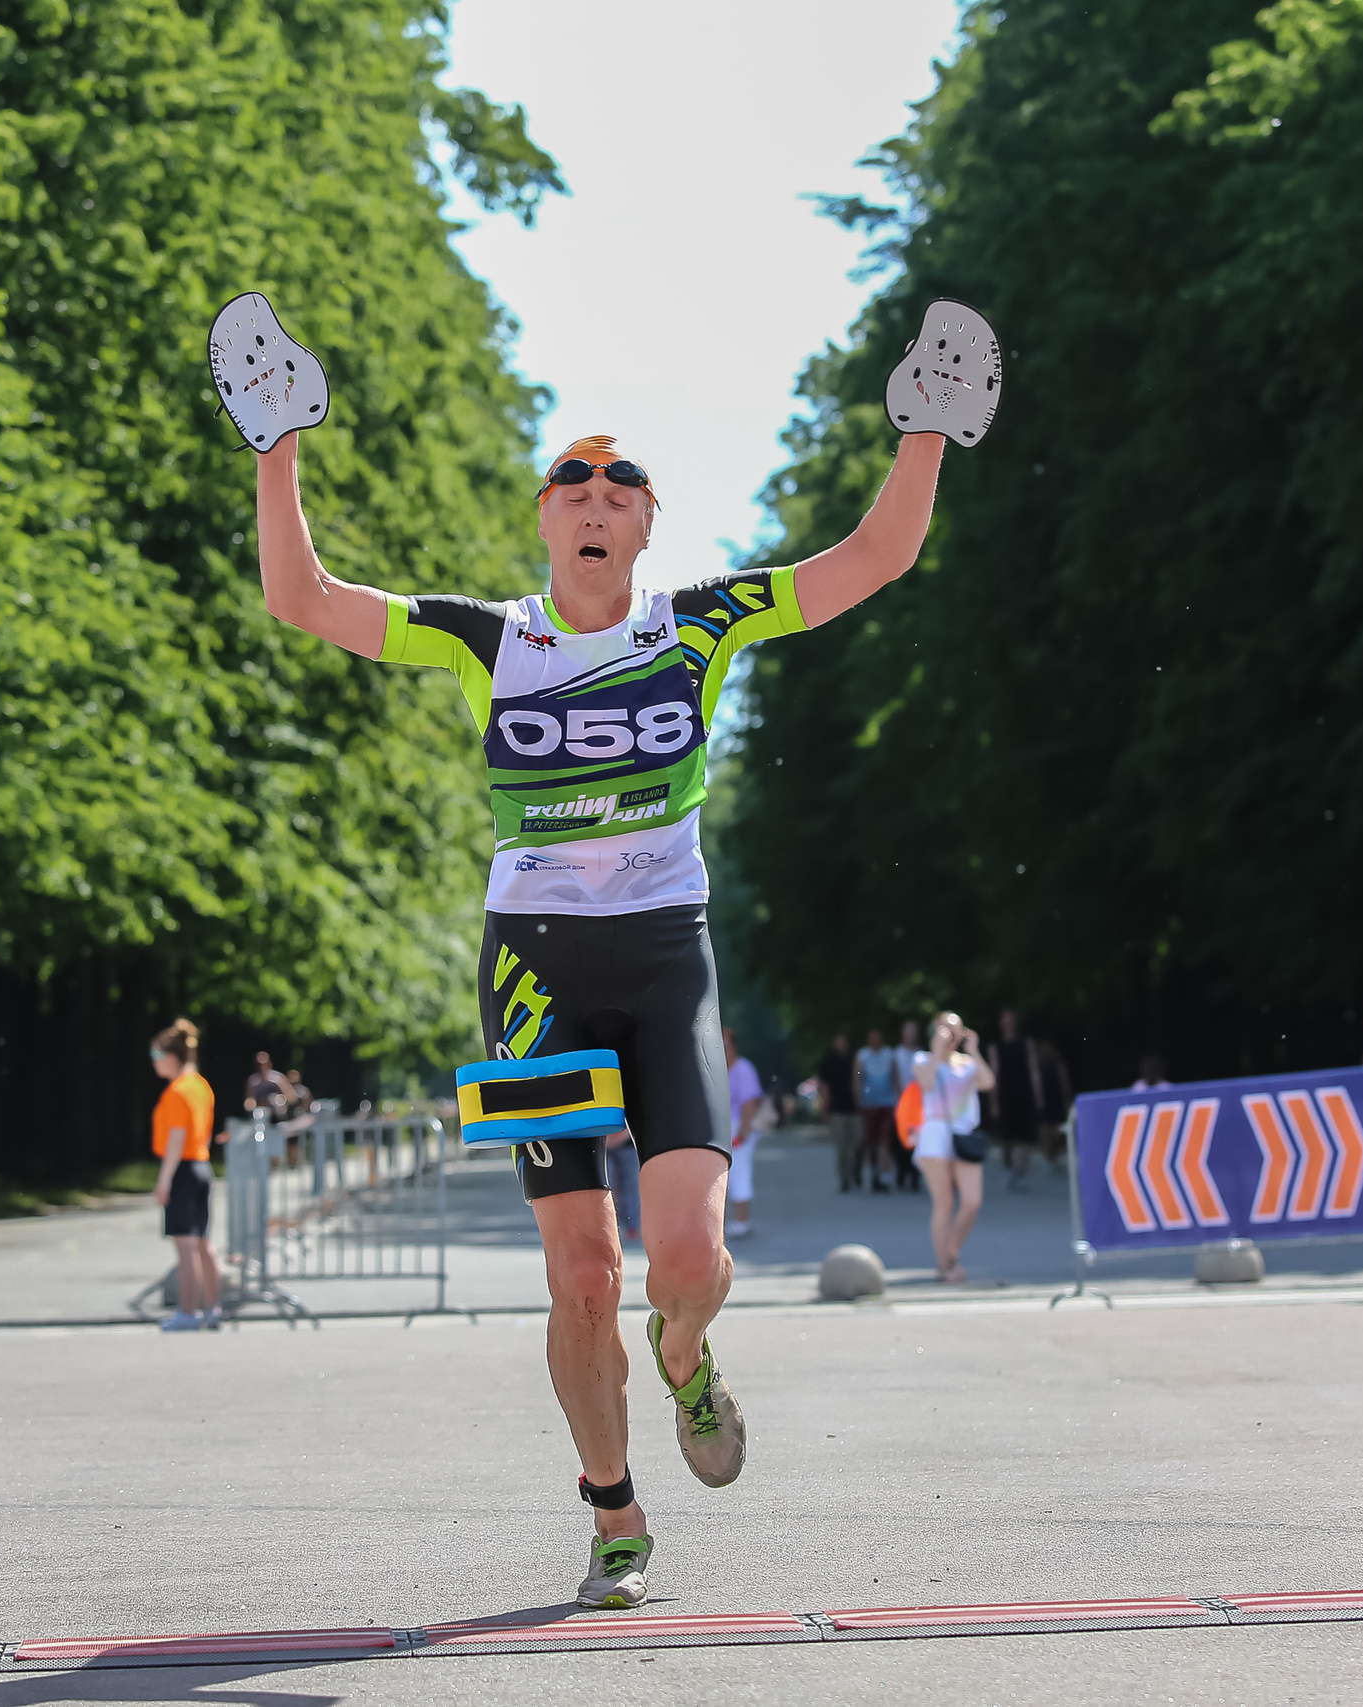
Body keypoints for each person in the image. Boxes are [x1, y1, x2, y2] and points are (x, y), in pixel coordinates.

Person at [255, 371, 953, 1609]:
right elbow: (299, 597)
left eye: (619, 481)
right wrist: (279, 444)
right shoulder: (489, 638)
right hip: (530, 968)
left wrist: (928, 428)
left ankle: (683, 1350)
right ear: (543, 517)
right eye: (570, 478)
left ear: (644, 523)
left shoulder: (698, 622)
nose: (593, 494)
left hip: (664, 951)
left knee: (686, 1256)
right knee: (581, 1274)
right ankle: (612, 1512)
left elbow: (875, 558)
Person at [910, 1012, 996, 1284]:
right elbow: (925, 1082)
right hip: (935, 1136)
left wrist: (974, 1050)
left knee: (972, 1201)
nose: (950, 1036)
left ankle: (951, 1252)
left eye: (955, 1030)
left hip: (964, 1135)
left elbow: (987, 1082)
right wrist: (937, 1053)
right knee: (944, 1203)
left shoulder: (967, 1064)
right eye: (944, 1030)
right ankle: (942, 1265)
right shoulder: (923, 1059)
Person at [150, 1019, 222, 1332]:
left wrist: (164, 1179)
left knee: (186, 1246)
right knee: (204, 1244)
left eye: (155, 1057)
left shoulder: (177, 1092)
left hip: (182, 1169)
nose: (153, 1064)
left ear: (171, 1056)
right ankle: (213, 1308)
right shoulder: (201, 1086)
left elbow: (177, 1138)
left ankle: (188, 1311)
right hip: (202, 1166)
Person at [986, 1010, 1047, 1190]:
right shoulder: (995, 1046)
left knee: (1025, 1135)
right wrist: (994, 1100)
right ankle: (1008, 1168)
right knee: (1008, 1136)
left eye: (1011, 1021)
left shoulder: (1026, 1043)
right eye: (1005, 1021)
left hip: (1024, 1093)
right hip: (1005, 1094)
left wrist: (1038, 1095)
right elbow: (994, 1074)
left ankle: (1020, 1171)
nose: (1009, 1024)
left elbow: (1033, 1069)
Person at [724, 1027, 765, 1239]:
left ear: (733, 1046)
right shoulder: (721, 1069)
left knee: (739, 1172)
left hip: (740, 1126)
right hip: (725, 1125)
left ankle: (742, 1220)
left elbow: (750, 1103)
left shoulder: (743, 1068)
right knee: (728, 1175)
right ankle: (734, 1220)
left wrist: (743, 1132)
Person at [854, 1026, 899, 1194]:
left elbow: (894, 1076)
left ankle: (883, 1174)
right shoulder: (863, 1055)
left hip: (886, 1103)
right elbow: (858, 1075)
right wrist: (859, 1097)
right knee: (869, 1141)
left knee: (884, 1140)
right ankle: (872, 1170)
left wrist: (898, 1098)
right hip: (869, 1104)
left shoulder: (889, 1054)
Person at [818, 1031, 860, 1191]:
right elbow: (825, 1087)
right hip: (837, 1109)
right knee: (842, 1146)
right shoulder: (829, 1062)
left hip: (855, 1108)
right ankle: (845, 1177)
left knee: (856, 1142)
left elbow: (860, 1077)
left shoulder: (854, 1060)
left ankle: (854, 1171)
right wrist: (825, 1108)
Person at [890, 1020, 925, 1192]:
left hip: (918, 1105)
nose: (910, 1034)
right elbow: (895, 1078)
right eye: (907, 1030)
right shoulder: (896, 1053)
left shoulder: (921, 1054)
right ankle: (902, 1171)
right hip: (902, 1103)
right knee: (901, 1141)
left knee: (917, 1140)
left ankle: (915, 1175)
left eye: (913, 1031)